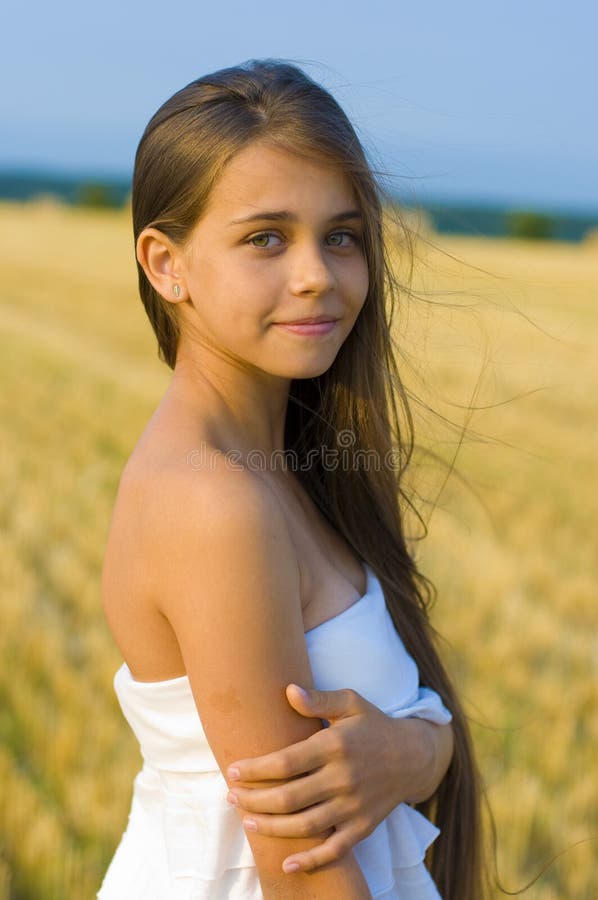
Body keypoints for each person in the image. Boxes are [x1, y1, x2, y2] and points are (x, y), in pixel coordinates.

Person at [98, 59, 485, 899]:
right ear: (167, 265)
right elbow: (304, 872)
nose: (316, 273)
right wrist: (422, 751)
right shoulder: (213, 503)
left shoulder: (291, 468)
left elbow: (396, 746)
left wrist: (415, 750)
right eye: (266, 238)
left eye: (340, 236)